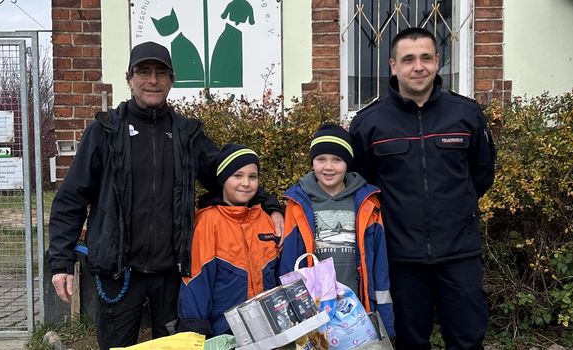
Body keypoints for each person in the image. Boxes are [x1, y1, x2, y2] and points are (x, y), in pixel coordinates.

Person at [47, 42, 284, 349]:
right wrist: (61, 263)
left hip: (172, 274)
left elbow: (228, 175)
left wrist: (269, 204)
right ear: (129, 78)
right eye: (143, 72)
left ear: (171, 80)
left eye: (161, 73)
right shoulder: (106, 131)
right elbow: (72, 197)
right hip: (118, 273)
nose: (152, 80)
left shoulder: (187, 134)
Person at [349, 27, 496, 349]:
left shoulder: (466, 114)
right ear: (393, 66)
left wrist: (457, 211)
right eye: (408, 59)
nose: (418, 66)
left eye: (426, 58)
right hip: (399, 256)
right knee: (409, 342)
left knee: (468, 340)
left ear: (437, 61)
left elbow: (482, 174)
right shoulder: (369, 122)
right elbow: (361, 185)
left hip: (459, 253)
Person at [277, 122, 395, 338]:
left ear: (347, 163)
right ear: (312, 162)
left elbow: (380, 264)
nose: (328, 167)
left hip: (359, 310)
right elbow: (289, 264)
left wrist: (385, 320)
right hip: (314, 311)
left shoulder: (368, 202)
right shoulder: (297, 204)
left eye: (337, 160)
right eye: (321, 159)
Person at [177, 144, 280, 336]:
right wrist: (195, 329)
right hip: (225, 330)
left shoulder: (266, 219)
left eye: (252, 177)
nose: (246, 183)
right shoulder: (208, 221)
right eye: (237, 176)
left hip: (269, 327)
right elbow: (197, 280)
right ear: (223, 180)